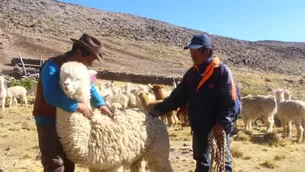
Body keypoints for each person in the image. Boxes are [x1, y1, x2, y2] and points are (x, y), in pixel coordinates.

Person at [150, 34, 241, 172]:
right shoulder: (192, 74)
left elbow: (231, 99)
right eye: (191, 51)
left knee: (222, 162)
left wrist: (222, 123)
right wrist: (160, 109)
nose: (192, 54)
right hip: (199, 126)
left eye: (195, 51)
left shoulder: (221, 71)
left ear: (206, 51)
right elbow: (178, 96)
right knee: (202, 161)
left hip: (217, 127)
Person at [32, 33, 113, 172]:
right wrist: (76, 106)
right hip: (48, 119)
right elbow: (50, 95)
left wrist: (101, 104)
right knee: (55, 163)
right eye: (90, 59)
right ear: (78, 53)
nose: (90, 64)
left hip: (68, 121)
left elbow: (90, 87)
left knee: (69, 162)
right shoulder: (52, 66)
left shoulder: (81, 70)